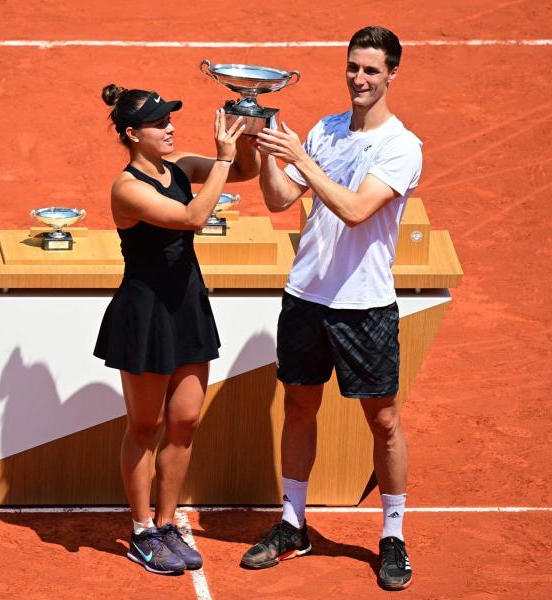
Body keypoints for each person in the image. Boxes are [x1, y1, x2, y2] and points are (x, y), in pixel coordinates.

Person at [239, 26, 422, 591]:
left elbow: (357, 210)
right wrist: (267, 142)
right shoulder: (325, 130)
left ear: (392, 73)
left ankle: (392, 533)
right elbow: (278, 198)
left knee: (384, 421)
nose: (359, 79)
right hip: (306, 297)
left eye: (370, 70)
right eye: (352, 67)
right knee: (298, 408)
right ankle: (294, 524)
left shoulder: (401, 145)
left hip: (364, 305)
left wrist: (303, 159)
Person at [94, 84, 256, 575]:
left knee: (185, 422)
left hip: (186, 307)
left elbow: (244, 170)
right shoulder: (127, 188)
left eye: (170, 119)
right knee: (145, 426)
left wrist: (247, 124)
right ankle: (142, 531)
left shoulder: (182, 166)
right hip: (145, 316)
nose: (169, 128)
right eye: (159, 122)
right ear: (131, 134)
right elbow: (192, 216)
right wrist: (224, 159)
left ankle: (167, 523)